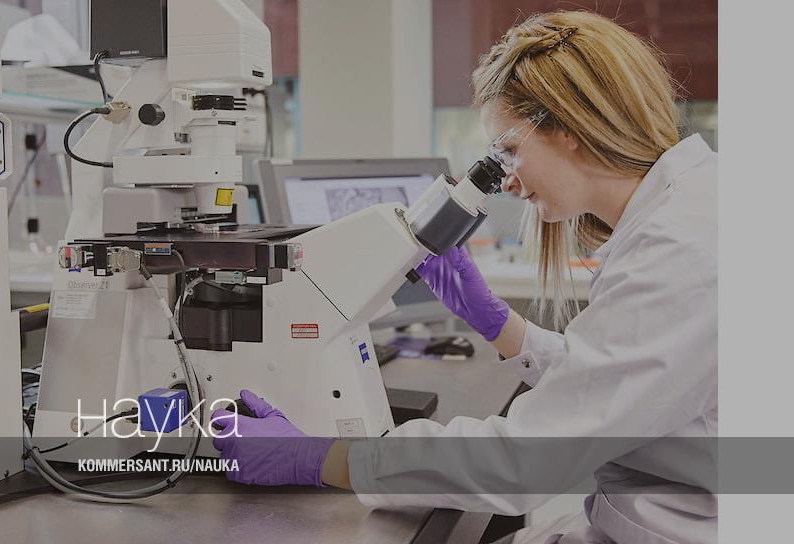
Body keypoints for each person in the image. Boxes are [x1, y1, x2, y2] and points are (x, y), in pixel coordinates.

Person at [210, 11, 717, 543]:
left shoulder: (679, 251)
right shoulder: (683, 213)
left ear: (568, 128)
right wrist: (494, 321)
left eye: (509, 151)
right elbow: (617, 382)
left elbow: (522, 462)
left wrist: (319, 458)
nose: (508, 181)